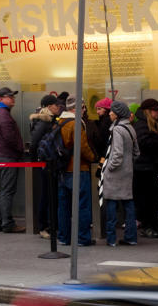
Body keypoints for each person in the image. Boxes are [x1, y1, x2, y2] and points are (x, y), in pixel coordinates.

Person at [57, 96, 96, 246]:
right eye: (83, 108)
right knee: (82, 205)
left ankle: (63, 237)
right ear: (76, 108)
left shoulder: (59, 122)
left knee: (64, 206)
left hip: (62, 169)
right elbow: (83, 148)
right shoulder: (75, 124)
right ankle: (83, 238)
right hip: (78, 168)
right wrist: (93, 157)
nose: (84, 110)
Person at [0, 87, 26, 233]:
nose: (13, 99)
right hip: (7, 156)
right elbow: (9, 136)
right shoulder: (4, 114)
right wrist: (19, 149)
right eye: (10, 96)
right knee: (6, 191)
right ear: (1, 99)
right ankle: (7, 223)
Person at [101, 101, 138, 246]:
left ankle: (111, 239)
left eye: (111, 111)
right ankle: (131, 237)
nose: (109, 113)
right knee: (128, 205)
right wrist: (128, 165)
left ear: (117, 114)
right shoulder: (130, 128)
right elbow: (137, 152)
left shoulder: (117, 130)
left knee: (111, 204)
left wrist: (108, 168)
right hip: (128, 172)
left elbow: (116, 154)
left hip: (115, 173)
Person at [132, 98, 158, 238]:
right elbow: (144, 143)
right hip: (144, 168)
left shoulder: (154, 124)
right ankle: (148, 226)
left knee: (153, 198)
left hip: (152, 167)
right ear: (148, 111)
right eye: (155, 110)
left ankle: (154, 225)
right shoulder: (141, 125)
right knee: (146, 200)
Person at [30, 94, 61, 238]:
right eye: (56, 105)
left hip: (49, 163)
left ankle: (51, 224)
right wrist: (36, 162)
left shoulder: (50, 120)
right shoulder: (43, 122)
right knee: (46, 195)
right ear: (49, 107)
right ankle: (43, 226)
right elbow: (34, 143)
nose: (58, 107)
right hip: (44, 163)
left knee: (51, 194)